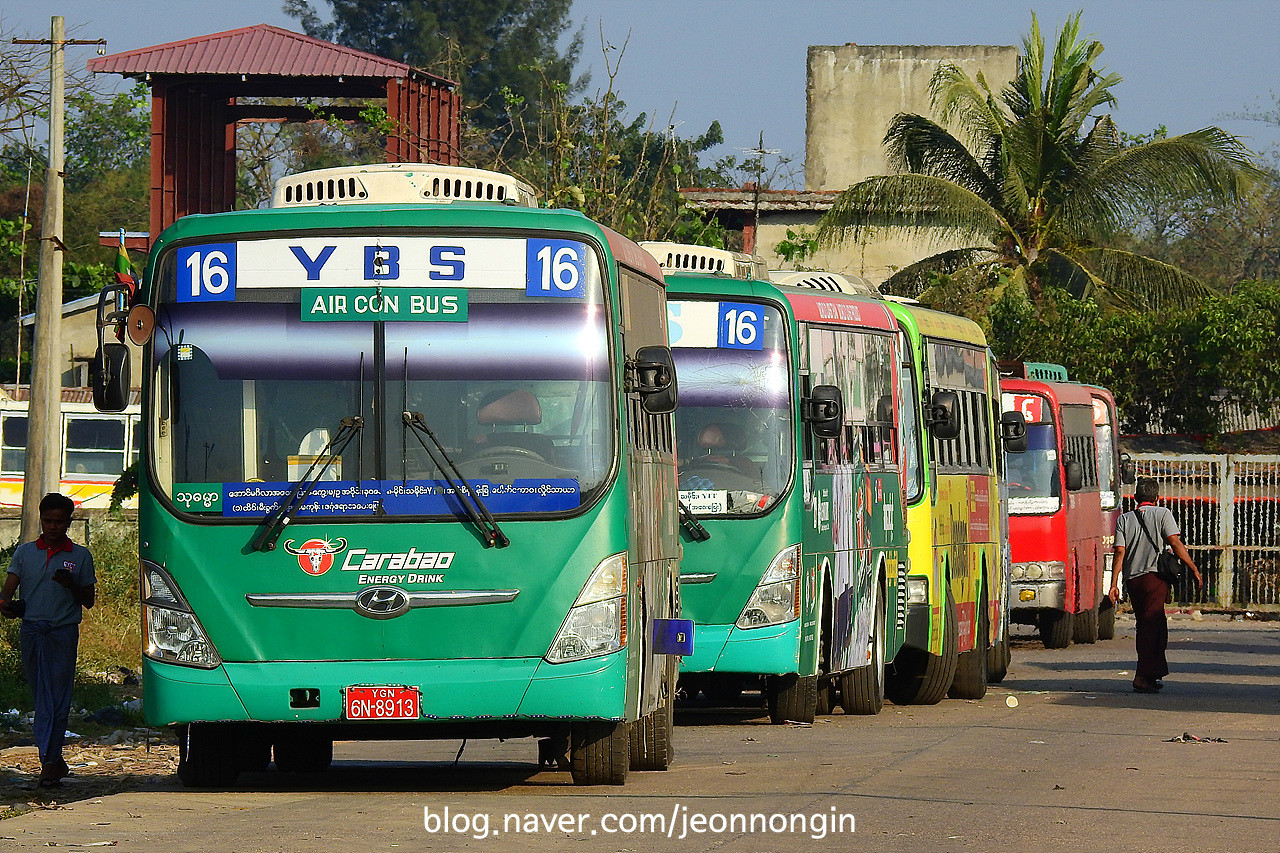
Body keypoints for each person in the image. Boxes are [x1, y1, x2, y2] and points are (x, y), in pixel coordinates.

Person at [0, 493, 97, 788]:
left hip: (62, 633)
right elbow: (7, 592)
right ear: (41, 520)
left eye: (59, 521)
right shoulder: (25, 552)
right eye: (47, 521)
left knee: (58, 697)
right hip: (31, 632)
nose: (53, 527)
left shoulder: (80, 556)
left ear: (69, 522)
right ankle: (53, 757)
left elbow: (89, 600)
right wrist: (8, 606)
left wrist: (71, 585)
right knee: (43, 697)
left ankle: (50, 762)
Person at [1109, 478, 1201, 694]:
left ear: (1135, 498)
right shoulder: (1163, 514)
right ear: (1157, 498)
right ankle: (1142, 676)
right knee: (1152, 626)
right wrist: (1193, 568)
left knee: (1148, 624)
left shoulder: (1124, 519)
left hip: (1133, 580)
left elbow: (1120, 551)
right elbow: (1175, 543)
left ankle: (1150, 674)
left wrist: (1114, 583)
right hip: (1154, 578)